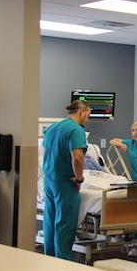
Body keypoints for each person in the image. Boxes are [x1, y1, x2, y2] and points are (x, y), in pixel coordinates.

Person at [43, 100, 90, 260]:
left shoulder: (52, 128)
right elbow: (78, 158)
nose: (87, 120)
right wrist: (79, 180)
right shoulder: (76, 130)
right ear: (82, 112)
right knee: (64, 226)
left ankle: (48, 260)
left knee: (50, 223)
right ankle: (63, 266)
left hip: (49, 181)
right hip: (65, 183)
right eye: (88, 116)